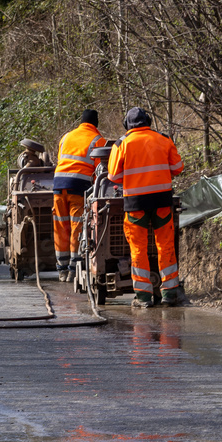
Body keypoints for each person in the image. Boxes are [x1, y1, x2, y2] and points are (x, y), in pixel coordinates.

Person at [107, 107, 190, 307]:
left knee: (138, 249)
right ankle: (170, 293)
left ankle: (143, 297)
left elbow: (113, 177)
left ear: (127, 124)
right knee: (165, 246)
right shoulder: (163, 139)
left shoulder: (122, 143)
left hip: (135, 204)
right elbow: (178, 168)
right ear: (149, 121)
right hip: (162, 202)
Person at [53, 109, 106, 282]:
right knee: (77, 226)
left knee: (61, 226)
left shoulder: (66, 136)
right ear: (96, 123)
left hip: (59, 185)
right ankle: (74, 269)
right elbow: (101, 172)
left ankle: (61, 268)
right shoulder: (98, 140)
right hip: (78, 187)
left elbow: (61, 159)